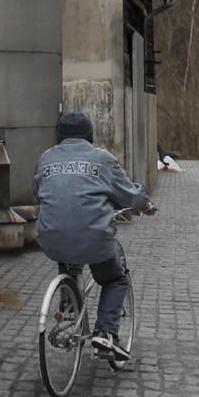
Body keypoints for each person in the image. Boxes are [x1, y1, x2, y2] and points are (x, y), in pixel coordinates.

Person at [33, 111, 156, 362]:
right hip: (93, 239)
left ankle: (68, 307)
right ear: (90, 135)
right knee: (114, 279)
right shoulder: (102, 158)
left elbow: (38, 190)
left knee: (66, 242)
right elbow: (129, 195)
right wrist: (144, 203)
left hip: (50, 238)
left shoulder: (46, 158)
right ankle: (106, 334)